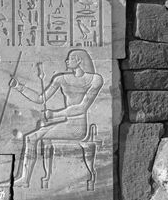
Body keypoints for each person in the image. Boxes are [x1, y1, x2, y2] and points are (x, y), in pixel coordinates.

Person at [9, 49, 103, 188]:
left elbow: (82, 108)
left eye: (70, 58)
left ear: (79, 61)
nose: (66, 60)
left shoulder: (95, 79)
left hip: (78, 128)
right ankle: (25, 179)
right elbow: (41, 99)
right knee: (32, 137)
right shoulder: (61, 79)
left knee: (32, 138)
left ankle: (25, 179)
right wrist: (19, 87)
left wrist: (54, 114)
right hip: (66, 124)